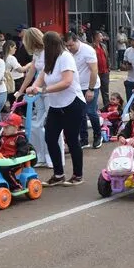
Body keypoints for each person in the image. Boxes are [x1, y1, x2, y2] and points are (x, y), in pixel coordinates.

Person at [26, 31, 85, 186]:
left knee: (72, 139)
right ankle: (58, 174)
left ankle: (78, 175)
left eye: (45, 45)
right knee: (50, 138)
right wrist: (33, 87)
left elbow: (66, 82)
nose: (43, 48)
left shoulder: (65, 58)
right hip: (56, 105)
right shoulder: (49, 59)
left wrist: (43, 90)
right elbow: (41, 77)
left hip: (73, 103)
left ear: (51, 45)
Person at [15, 28, 63, 170]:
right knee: (35, 124)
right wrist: (21, 91)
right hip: (38, 91)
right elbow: (31, 73)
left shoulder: (49, 52)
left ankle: (53, 157)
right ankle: (40, 155)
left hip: (49, 91)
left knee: (51, 125)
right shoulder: (36, 53)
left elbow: (44, 73)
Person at [66, 33, 102, 149]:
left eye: (71, 45)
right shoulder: (68, 53)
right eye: (67, 46)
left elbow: (94, 71)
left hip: (91, 85)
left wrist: (90, 89)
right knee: (79, 113)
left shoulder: (88, 51)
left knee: (90, 111)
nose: (69, 48)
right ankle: (84, 139)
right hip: (77, 87)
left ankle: (98, 135)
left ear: (77, 41)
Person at [0, 113, 32, 191]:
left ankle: (16, 186)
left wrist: (14, 158)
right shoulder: (3, 137)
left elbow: (23, 151)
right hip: (1, 160)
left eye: (6, 127)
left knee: (6, 170)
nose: (3, 130)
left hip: (14, 162)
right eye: (3, 127)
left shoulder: (20, 138)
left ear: (15, 127)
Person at [3, 40, 29, 109]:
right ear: (10, 47)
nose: (15, 49)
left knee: (13, 100)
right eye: (15, 47)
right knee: (20, 99)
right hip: (17, 82)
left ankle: (14, 116)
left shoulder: (4, 58)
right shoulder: (11, 58)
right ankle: (20, 115)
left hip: (9, 82)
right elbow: (21, 70)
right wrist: (29, 65)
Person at [91, 31, 110, 108]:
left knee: (105, 91)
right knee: (96, 91)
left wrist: (108, 67)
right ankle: (94, 107)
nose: (102, 38)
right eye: (100, 36)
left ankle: (107, 106)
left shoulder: (103, 46)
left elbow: (107, 57)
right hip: (96, 72)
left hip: (105, 71)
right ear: (96, 37)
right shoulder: (91, 47)